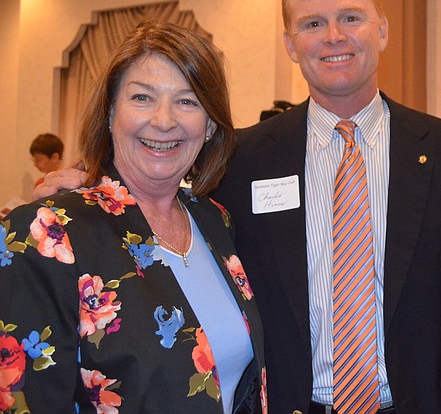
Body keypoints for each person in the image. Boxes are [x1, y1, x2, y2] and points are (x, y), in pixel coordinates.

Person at [213, 0, 441, 414]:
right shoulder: (243, 158)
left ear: (381, 30)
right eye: (312, 23)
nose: (334, 36)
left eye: (350, 17)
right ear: (290, 45)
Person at [1, 20, 267, 413]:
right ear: (110, 113)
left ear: (210, 125)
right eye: (142, 97)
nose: (163, 120)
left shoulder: (216, 220)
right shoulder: (47, 233)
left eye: (187, 101)